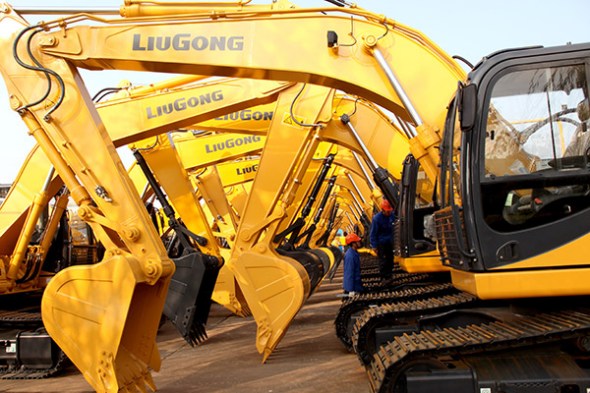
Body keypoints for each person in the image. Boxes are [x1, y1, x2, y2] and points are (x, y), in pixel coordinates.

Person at [370, 198, 395, 282]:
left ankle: (389, 275)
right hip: (381, 243)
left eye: (390, 211)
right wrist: (374, 246)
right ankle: (384, 277)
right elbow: (373, 233)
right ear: (383, 210)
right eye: (387, 211)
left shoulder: (392, 215)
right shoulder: (377, 219)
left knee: (390, 259)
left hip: (390, 242)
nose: (389, 212)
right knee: (383, 260)